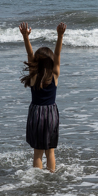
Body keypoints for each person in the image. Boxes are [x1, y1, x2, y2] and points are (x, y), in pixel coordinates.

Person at [19, 21, 66, 172]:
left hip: (36, 113)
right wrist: (60, 36)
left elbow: (29, 54)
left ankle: (37, 180)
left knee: (37, 153)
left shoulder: (34, 75)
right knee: (50, 151)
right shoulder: (54, 75)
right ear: (52, 62)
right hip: (51, 113)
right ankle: (51, 178)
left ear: (36, 63)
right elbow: (58, 53)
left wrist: (26, 37)